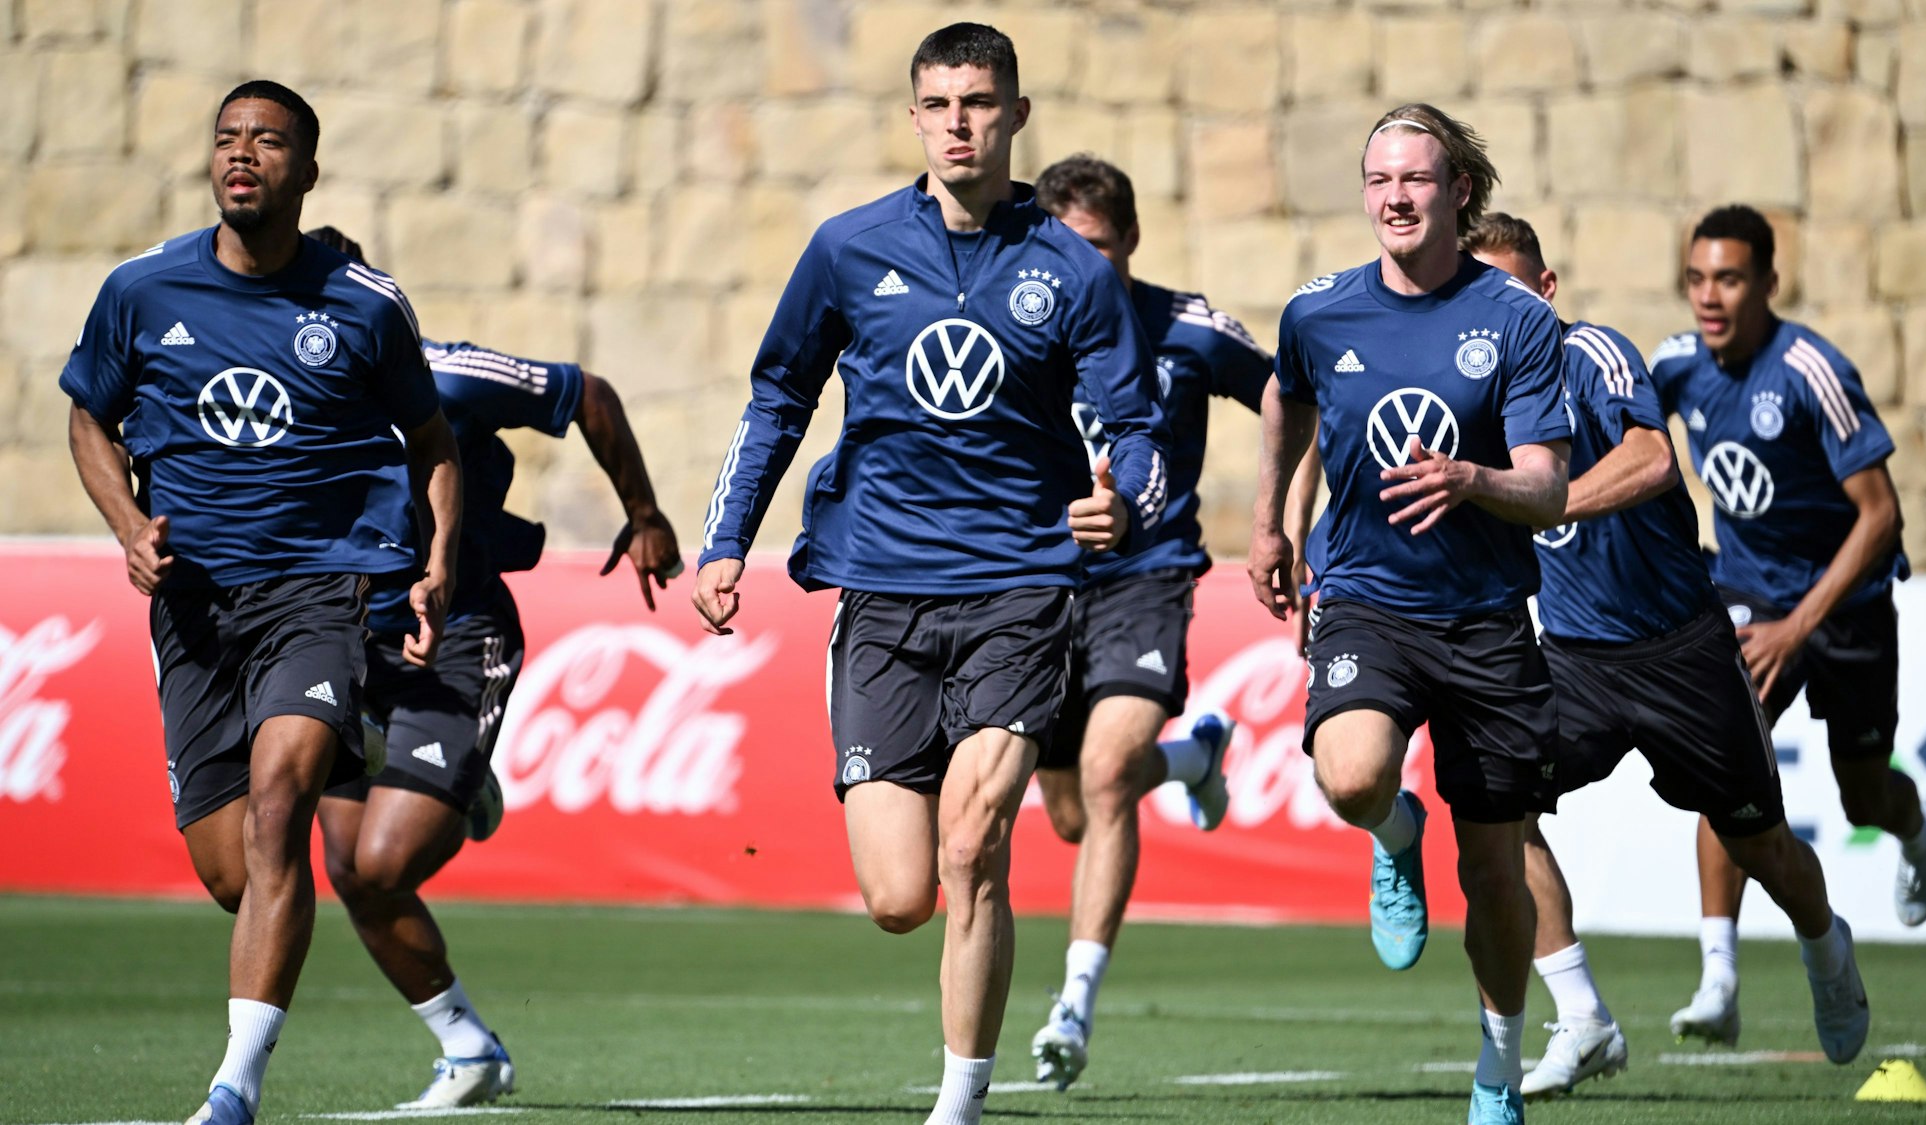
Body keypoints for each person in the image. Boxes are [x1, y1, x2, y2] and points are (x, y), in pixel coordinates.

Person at [690, 24, 1167, 1125]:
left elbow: (1133, 426)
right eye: (939, 103)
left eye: (980, 102)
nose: (960, 122)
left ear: (1014, 114)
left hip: (1020, 587)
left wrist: (1122, 496)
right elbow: (777, 398)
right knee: (902, 895)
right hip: (883, 594)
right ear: (914, 117)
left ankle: (956, 1106)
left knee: (973, 844)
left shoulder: (1069, 268)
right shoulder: (847, 249)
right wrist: (727, 542)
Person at [59, 83, 461, 1125]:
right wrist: (125, 528)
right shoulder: (143, 292)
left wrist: (436, 561)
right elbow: (89, 421)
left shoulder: (365, 304)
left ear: (306, 171)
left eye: (269, 141)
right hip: (193, 608)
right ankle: (350, 747)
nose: (244, 155)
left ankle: (233, 1089)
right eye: (229, 138)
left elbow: (433, 442)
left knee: (284, 807)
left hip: (318, 590)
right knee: (239, 874)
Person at [1457, 214, 1868, 1095]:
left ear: (1547, 290)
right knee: (1492, 804)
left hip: (1683, 650)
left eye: (1510, 289)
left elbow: (1651, 460)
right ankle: (1582, 1017)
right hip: (1572, 658)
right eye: (1476, 293)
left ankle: (1825, 945)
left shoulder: (1594, 354)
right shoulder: (1470, 391)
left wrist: (1543, 499)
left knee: (1761, 847)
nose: (1495, 310)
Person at [300, 227, 682, 1108]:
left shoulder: (448, 373)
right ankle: (467, 1047)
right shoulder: (277, 396)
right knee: (350, 870)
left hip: (459, 633)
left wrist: (646, 512)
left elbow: (586, 392)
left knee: (388, 864)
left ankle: (462, 778)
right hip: (338, 646)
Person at [1247, 104, 1571, 1125]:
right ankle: (1393, 834)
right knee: (1348, 773)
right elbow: (1285, 404)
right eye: (1377, 180)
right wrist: (1272, 524)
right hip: (1364, 600)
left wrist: (1471, 477)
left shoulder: (1514, 319)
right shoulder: (1318, 313)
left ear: (1457, 191)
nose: (1393, 198)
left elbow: (1549, 488)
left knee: (1493, 873)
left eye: (1415, 181)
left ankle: (1496, 1072)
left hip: (1481, 617)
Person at [1651, 205, 1926, 1045]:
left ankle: (1913, 829)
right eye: (1698, 278)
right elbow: (1626, 443)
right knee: (1719, 761)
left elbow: (1880, 515)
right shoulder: (1675, 366)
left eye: (1730, 279)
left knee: (1862, 789)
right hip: (1745, 597)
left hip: (1844, 607)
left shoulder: (1811, 370)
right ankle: (1719, 979)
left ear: (1769, 284)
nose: (1710, 297)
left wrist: (1800, 625)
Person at [1023, 155, 1263, 1089]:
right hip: (1038, 587)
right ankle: (1196, 758)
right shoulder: (1017, 323)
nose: (1079, 268)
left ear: (1129, 244)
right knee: (1076, 812)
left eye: (1097, 249)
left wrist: (1291, 520)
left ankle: (1073, 1007)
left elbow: (1297, 396)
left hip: (1147, 575)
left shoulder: (1191, 329)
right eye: (1063, 249)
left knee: (1109, 766)